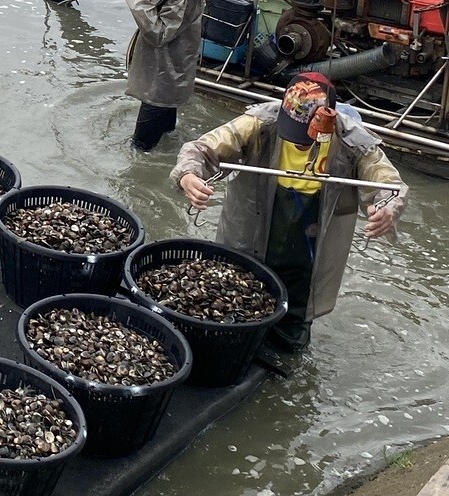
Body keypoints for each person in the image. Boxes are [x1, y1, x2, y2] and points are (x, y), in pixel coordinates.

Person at [169, 72, 407, 352]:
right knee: (234, 301)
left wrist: (386, 208)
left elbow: (390, 185)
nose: (298, 144)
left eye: (307, 139)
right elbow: (200, 149)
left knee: (294, 322)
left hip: (309, 248)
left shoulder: (353, 141)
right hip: (251, 232)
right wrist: (188, 176)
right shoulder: (260, 123)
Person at [124, 0, 215, 151]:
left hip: (162, 80)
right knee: (166, 134)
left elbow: (159, 34)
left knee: (139, 150)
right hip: (171, 71)